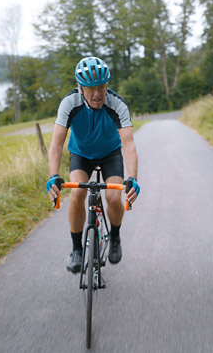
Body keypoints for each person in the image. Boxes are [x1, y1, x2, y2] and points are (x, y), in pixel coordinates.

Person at [46, 56, 140, 273]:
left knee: (114, 196)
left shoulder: (117, 104)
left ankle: (115, 236)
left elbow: (129, 145)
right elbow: (56, 144)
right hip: (81, 154)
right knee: (77, 194)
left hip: (110, 154)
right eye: (91, 88)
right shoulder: (69, 103)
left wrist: (133, 178)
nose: (97, 94)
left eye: (102, 87)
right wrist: (53, 175)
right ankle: (77, 250)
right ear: (80, 88)